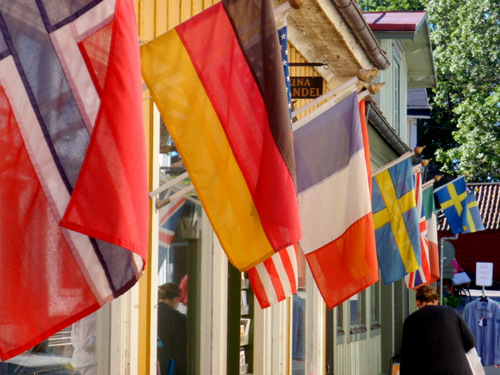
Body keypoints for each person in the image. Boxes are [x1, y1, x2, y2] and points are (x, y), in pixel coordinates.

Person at [400, 285, 476, 375]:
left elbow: (406, 356)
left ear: (417, 302)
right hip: (460, 370)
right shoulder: (451, 312)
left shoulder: (411, 320)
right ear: (436, 301)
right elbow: (470, 342)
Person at [157, 282, 187, 375]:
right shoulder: (178, 318)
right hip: (169, 369)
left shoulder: (148, 313)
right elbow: (180, 352)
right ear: (176, 299)